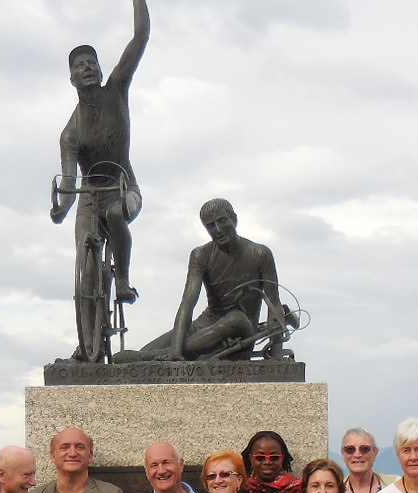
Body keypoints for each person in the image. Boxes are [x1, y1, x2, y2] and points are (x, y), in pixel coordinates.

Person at [49, 0, 150, 309]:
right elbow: (69, 180)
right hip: (90, 195)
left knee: (117, 213)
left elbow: (140, 37)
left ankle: (122, 281)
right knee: (86, 265)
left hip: (123, 185)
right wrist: (61, 209)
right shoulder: (71, 132)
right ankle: (87, 340)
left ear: (101, 68)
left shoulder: (117, 89)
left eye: (91, 62)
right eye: (79, 66)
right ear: (72, 80)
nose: (87, 68)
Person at [129, 198, 285, 361]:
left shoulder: (260, 254)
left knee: (235, 318)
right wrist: (175, 352)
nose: (218, 230)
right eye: (210, 226)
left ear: (234, 219)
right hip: (205, 325)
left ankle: (152, 356)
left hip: (240, 327)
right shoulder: (200, 255)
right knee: (126, 358)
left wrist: (276, 354)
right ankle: (155, 354)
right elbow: (188, 302)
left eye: (222, 221)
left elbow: (274, 304)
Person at [338, 426, 394, 493]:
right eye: (350, 449)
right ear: (343, 454)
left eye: (364, 449)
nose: (357, 454)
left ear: (375, 453)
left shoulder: (394, 486)